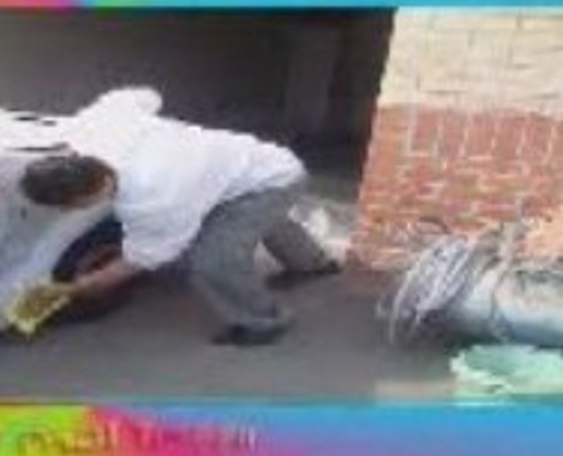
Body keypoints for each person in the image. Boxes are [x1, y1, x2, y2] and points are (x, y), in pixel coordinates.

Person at [20, 87, 339, 346]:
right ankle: (314, 263)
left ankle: (264, 320)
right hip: (247, 162)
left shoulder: (154, 198)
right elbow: (145, 96)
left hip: (272, 180)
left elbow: (145, 257)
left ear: (96, 189)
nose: (73, 212)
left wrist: (85, 285)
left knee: (214, 259)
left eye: (76, 205)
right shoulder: (96, 129)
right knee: (259, 220)